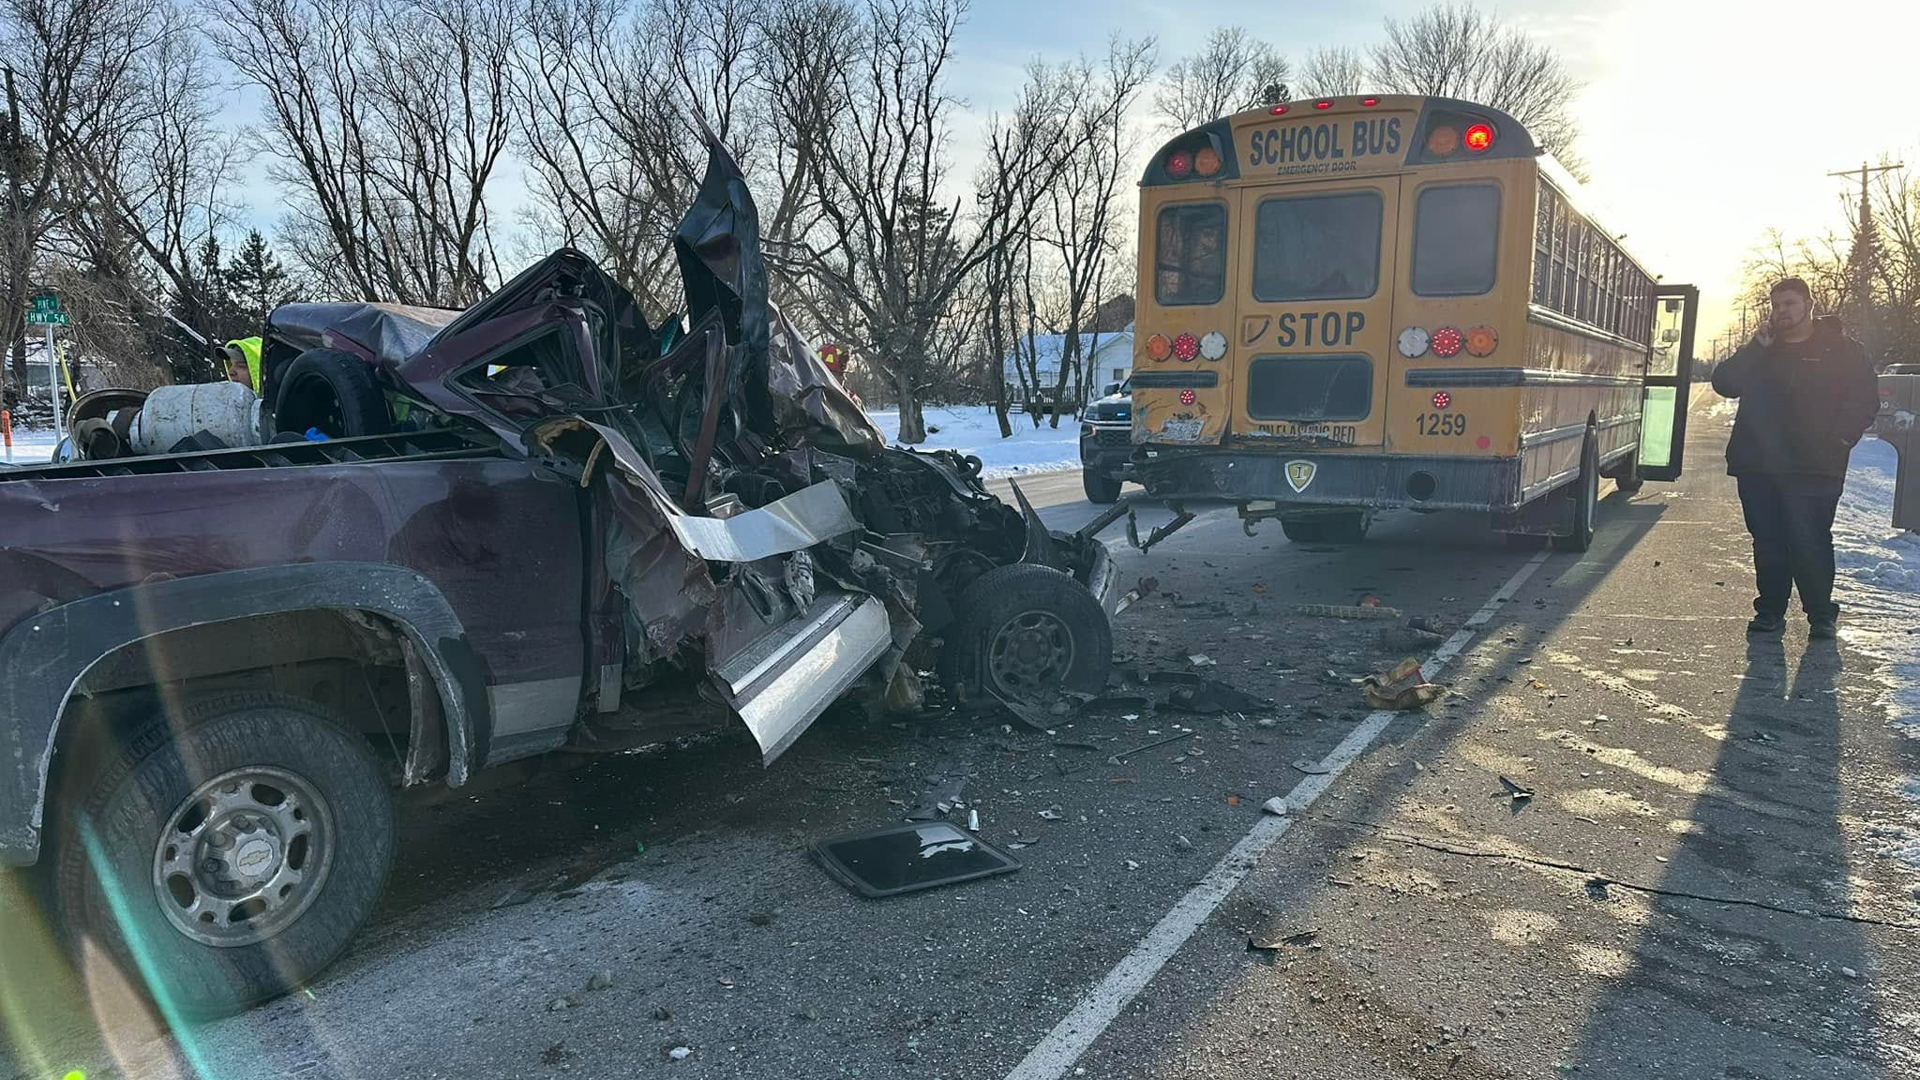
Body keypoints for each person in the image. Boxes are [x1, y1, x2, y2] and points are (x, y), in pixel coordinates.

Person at [1710, 278, 1877, 639]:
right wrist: (1755, 348)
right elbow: (1724, 383)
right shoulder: (1763, 350)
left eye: (1789, 304)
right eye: (1776, 305)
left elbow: (1864, 399)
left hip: (1815, 466)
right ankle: (1770, 611)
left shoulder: (1842, 350)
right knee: (1767, 539)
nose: (1781, 311)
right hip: (1759, 464)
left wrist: (1840, 439)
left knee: (1810, 539)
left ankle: (1820, 616)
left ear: (1808, 305)